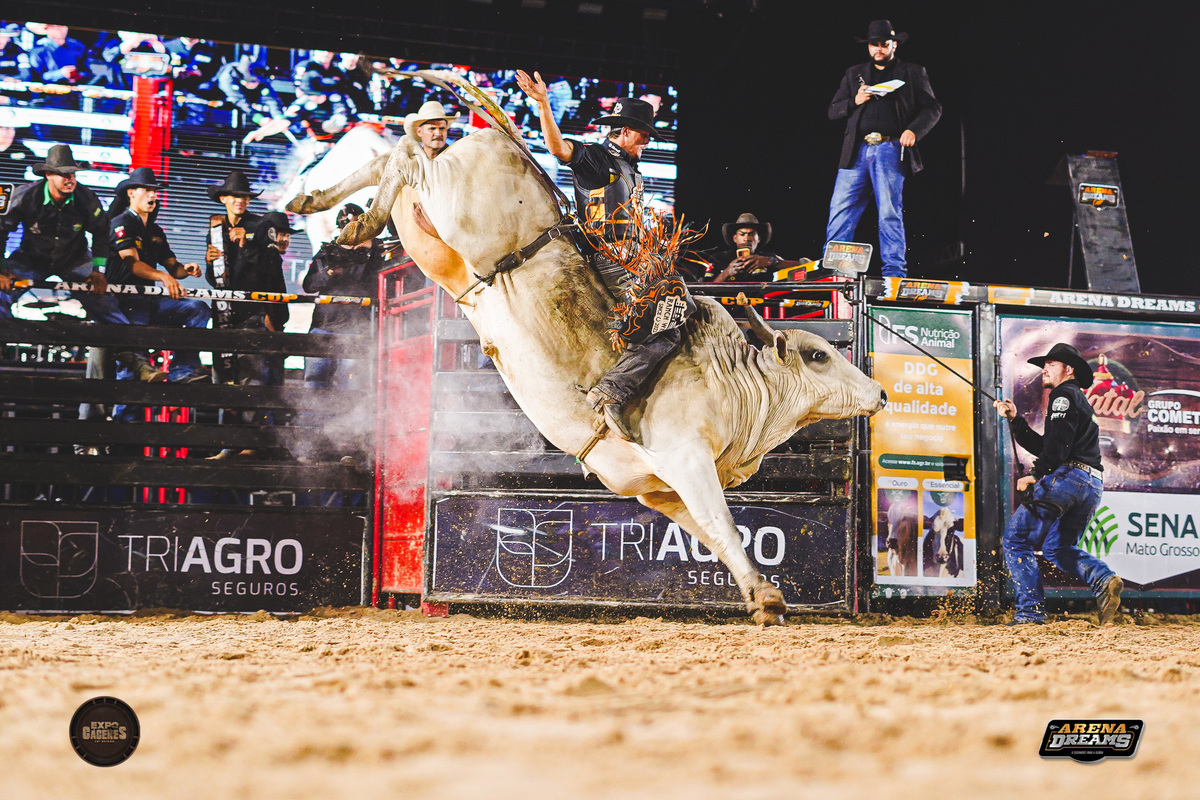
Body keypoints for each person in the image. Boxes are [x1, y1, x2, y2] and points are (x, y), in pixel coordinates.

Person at [517, 68, 690, 440]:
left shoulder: (629, 169)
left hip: (631, 260)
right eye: (643, 136)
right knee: (668, 329)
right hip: (611, 258)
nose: (646, 142)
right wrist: (543, 104)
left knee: (681, 306)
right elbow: (558, 149)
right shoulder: (597, 159)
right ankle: (612, 389)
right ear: (625, 132)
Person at [994, 343, 1123, 626]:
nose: (1044, 370)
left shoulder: (1062, 396)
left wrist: (1036, 473)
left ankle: (1030, 614)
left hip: (1067, 479)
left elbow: (1057, 448)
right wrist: (1015, 420)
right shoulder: (1079, 399)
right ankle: (1102, 578)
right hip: (1091, 483)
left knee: (1017, 541)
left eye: (1051, 365)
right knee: (1058, 547)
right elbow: (1050, 445)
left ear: (1068, 369)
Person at [823, 19, 941, 278]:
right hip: (856, 150)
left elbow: (933, 108)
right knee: (841, 209)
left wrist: (914, 130)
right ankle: (836, 270)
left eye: (884, 44)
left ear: (894, 45)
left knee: (889, 211)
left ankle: (894, 272)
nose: (879, 48)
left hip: (889, 147)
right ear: (868, 46)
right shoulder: (854, 73)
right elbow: (833, 111)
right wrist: (855, 100)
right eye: (874, 44)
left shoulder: (912, 72)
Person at [107, 166, 212, 385]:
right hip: (125, 303)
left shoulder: (155, 231)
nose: (153, 195)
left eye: (154, 190)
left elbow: (174, 268)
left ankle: (183, 369)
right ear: (131, 193)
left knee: (198, 308)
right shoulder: (121, 223)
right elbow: (132, 264)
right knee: (132, 368)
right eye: (147, 190)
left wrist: (186, 269)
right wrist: (163, 277)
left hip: (150, 301)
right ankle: (125, 406)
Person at [205, 209, 296, 460]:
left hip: (259, 327)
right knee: (250, 385)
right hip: (251, 326)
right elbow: (240, 283)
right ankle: (245, 445)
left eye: (287, 235)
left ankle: (253, 445)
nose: (284, 239)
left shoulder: (264, 254)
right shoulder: (260, 254)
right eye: (279, 234)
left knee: (259, 386)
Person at [298, 203, 384, 462]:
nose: (352, 232)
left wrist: (370, 250)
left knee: (352, 387)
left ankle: (349, 448)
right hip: (324, 325)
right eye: (347, 227)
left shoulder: (376, 252)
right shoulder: (328, 251)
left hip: (355, 330)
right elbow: (310, 284)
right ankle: (311, 446)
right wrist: (330, 270)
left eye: (357, 226)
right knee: (314, 385)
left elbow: (379, 284)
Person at [706, 213, 788, 282]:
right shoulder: (718, 259)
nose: (747, 238)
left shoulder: (767, 257)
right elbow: (705, 290)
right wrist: (726, 273)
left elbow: (795, 268)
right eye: (742, 234)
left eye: (751, 234)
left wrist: (771, 262)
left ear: (759, 239)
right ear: (735, 238)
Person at [290, 50, 351, 137]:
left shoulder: (337, 70)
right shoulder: (306, 66)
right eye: (323, 50)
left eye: (329, 51)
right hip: (310, 103)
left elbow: (342, 89)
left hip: (330, 105)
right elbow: (299, 90)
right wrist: (314, 96)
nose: (326, 54)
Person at [216, 56, 284, 127]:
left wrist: (278, 116)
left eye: (257, 81)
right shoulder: (227, 79)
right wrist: (258, 118)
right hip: (226, 103)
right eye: (252, 81)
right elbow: (240, 101)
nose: (256, 84)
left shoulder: (260, 76)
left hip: (245, 102)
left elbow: (271, 98)